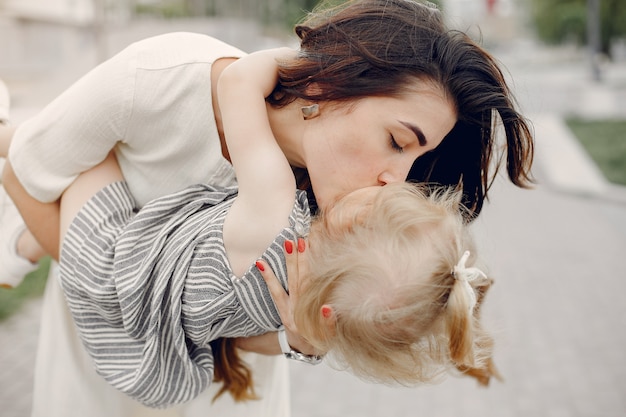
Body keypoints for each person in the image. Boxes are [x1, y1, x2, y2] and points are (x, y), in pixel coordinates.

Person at [1, 0, 533, 415]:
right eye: (397, 141)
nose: (397, 180)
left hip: (227, 398)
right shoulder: (160, 80)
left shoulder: (339, 224)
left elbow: (238, 328)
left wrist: (299, 338)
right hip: (102, 382)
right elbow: (27, 172)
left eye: (419, 159)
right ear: (329, 81)